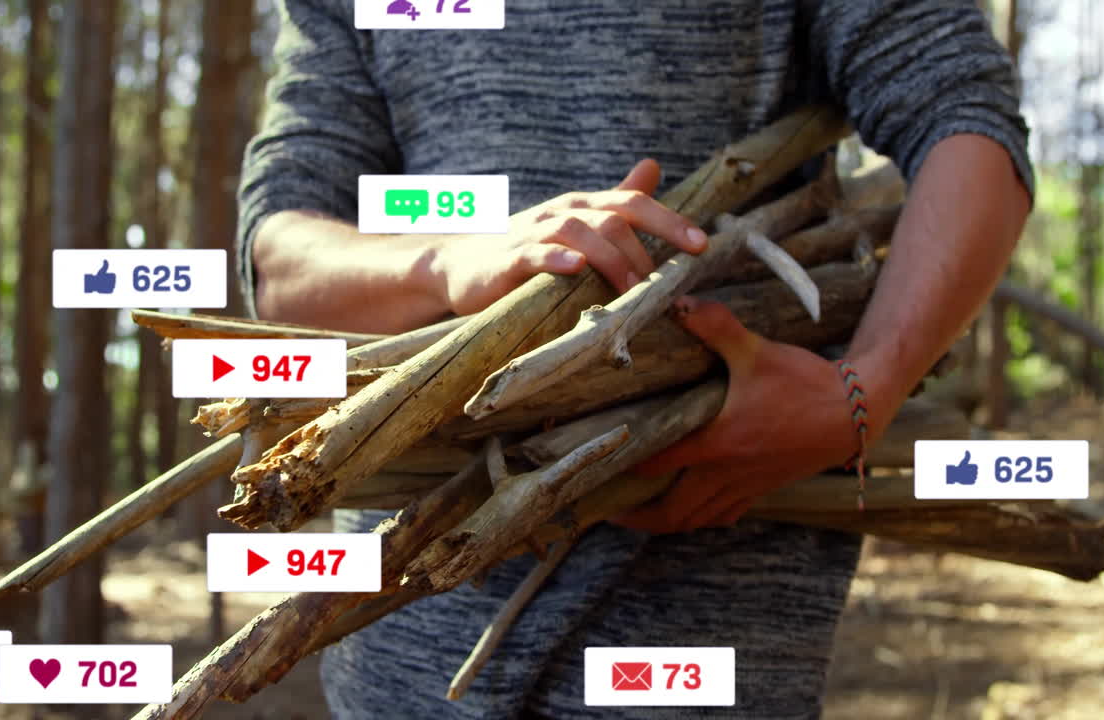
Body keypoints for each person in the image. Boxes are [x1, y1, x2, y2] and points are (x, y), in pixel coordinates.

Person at [237, 0, 1033, 717]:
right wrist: (443, 259)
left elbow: (966, 118)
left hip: (714, 634)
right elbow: (281, 254)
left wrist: (865, 391)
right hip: (398, 647)